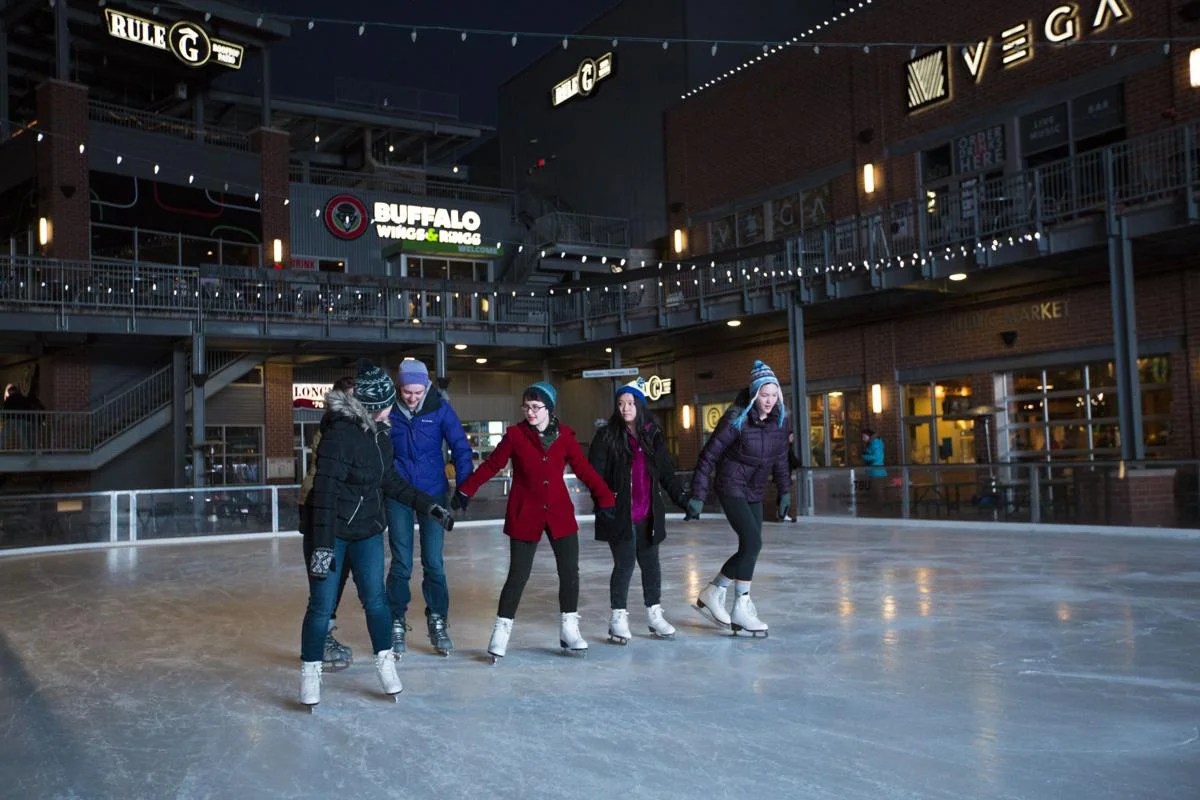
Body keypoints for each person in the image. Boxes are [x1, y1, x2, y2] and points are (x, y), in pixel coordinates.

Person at [299, 359, 455, 709]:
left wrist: (428, 505)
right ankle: (310, 673)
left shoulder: (379, 435)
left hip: (367, 532)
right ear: (372, 407)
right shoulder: (338, 436)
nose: (391, 410)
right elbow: (323, 496)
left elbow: (390, 480)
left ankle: (385, 665)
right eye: (386, 405)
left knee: (377, 602)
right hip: (334, 533)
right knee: (321, 605)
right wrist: (323, 547)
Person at [453, 381, 616, 662]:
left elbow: (583, 469)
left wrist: (605, 497)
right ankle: (501, 633)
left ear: (549, 410)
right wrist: (467, 488)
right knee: (518, 575)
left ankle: (569, 629)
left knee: (569, 572)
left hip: (559, 513)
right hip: (525, 512)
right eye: (526, 406)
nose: (530, 412)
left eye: (536, 407)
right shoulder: (515, 435)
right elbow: (493, 464)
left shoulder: (565, 436)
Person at [686, 359, 792, 637]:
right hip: (731, 485)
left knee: (752, 547)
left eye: (773, 395)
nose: (768, 401)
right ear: (755, 394)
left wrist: (785, 491)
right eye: (763, 395)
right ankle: (741, 608)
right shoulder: (737, 418)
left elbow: (781, 459)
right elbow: (709, 455)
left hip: (755, 489)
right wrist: (698, 494)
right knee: (753, 541)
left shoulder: (781, 421)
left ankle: (713, 590)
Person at [588, 379, 690, 644]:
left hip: (648, 514)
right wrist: (604, 504)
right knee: (624, 564)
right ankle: (618, 617)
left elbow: (666, 472)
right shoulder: (606, 436)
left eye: (631, 403)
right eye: (621, 403)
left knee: (651, 564)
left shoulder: (651, 435)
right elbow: (594, 475)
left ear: (640, 405)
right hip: (619, 514)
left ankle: (654, 613)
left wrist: (682, 499)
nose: (625, 408)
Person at [385, 358, 473, 658]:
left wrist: (464, 487)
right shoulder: (389, 411)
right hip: (398, 494)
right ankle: (396, 620)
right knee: (401, 563)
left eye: (417, 391)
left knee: (433, 562)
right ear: (400, 387)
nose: (412, 397)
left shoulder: (439, 409)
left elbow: (461, 447)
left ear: (426, 387)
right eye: (407, 391)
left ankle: (437, 619)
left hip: (433, 494)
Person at [298, 375, 357, 671]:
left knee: (337, 577)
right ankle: (317, 644)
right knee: (322, 581)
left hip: (342, 514)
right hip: (318, 510)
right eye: (348, 398)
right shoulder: (332, 428)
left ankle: (324, 635)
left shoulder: (353, 428)